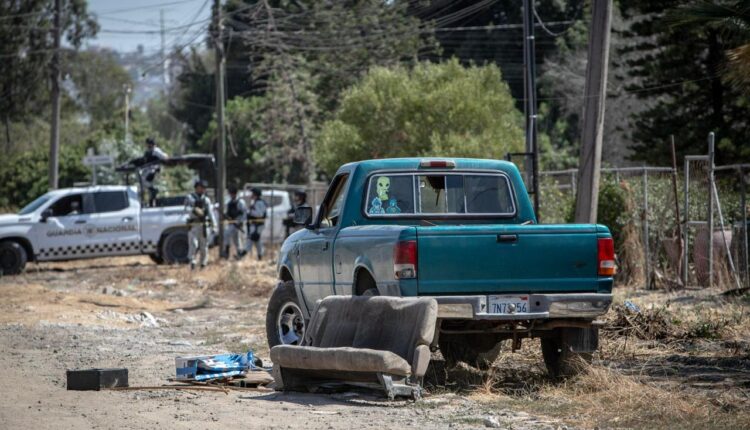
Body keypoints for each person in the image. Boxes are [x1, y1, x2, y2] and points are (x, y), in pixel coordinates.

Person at [185, 180, 215, 270]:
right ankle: (192, 261)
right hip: (194, 224)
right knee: (193, 244)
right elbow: (187, 209)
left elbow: (210, 213)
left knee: (204, 245)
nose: (202, 190)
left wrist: (214, 225)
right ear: (196, 188)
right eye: (201, 187)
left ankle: (203, 263)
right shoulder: (190, 197)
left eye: (203, 188)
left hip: (204, 224)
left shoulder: (206, 199)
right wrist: (195, 210)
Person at [141, 137, 168, 207]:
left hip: (153, 171)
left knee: (148, 184)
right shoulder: (148, 151)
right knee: (145, 184)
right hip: (147, 170)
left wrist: (157, 164)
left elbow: (165, 157)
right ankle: (151, 201)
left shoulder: (156, 150)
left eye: (148, 144)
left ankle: (153, 193)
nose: (147, 145)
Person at [224, 185, 247, 260]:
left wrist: (241, 222)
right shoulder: (230, 202)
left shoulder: (240, 202)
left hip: (238, 223)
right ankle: (227, 252)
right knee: (227, 235)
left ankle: (239, 254)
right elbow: (228, 212)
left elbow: (244, 213)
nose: (231, 195)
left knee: (238, 240)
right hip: (232, 223)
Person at [245, 188, 267, 260]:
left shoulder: (259, 202)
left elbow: (259, 214)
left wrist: (250, 213)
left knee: (252, 238)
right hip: (255, 224)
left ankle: (244, 252)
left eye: (252, 193)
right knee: (257, 240)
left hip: (259, 225)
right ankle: (260, 255)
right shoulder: (255, 202)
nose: (251, 195)